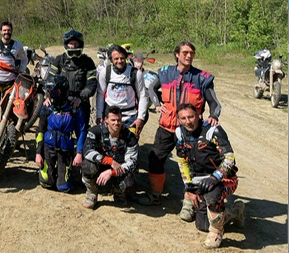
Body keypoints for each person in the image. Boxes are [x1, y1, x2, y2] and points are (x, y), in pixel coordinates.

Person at [141, 41, 222, 208]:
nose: (189, 55)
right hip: (167, 127)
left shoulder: (202, 78)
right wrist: (157, 104)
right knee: (155, 159)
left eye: (191, 52)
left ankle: (189, 201)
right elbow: (151, 89)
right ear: (177, 54)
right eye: (185, 52)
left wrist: (214, 115)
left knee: (194, 165)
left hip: (191, 130)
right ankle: (155, 195)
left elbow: (214, 102)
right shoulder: (164, 73)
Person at [174, 103, 244, 249]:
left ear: (199, 115)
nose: (188, 121)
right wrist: (189, 187)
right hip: (200, 181)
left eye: (191, 116)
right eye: (183, 118)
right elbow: (182, 162)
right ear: (179, 119)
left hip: (225, 179)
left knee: (213, 195)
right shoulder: (179, 133)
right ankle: (234, 212)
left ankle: (217, 232)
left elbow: (229, 158)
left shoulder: (213, 130)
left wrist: (215, 177)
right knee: (202, 225)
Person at [35, 75, 87, 192]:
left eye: (55, 91)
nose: (51, 94)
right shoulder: (47, 106)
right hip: (48, 148)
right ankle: (48, 170)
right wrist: (38, 153)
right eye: (49, 91)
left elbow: (82, 131)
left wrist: (79, 153)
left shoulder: (75, 108)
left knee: (64, 187)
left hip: (65, 150)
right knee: (47, 183)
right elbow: (40, 130)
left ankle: (66, 171)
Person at [81, 106, 139, 209]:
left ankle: (118, 193)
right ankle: (92, 193)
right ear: (105, 120)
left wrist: (111, 172)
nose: (117, 123)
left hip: (118, 169)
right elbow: (87, 151)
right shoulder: (95, 131)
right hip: (100, 166)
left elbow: (132, 162)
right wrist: (109, 161)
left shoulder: (129, 136)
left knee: (129, 181)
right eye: (113, 120)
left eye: (119, 120)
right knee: (86, 165)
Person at [95, 44, 149, 135]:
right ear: (111, 59)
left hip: (130, 117)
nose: (119, 61)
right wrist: (99, 115)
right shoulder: (105, 73)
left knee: (130, 144)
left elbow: (143, 96)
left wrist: (140, 118)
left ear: (126, 58)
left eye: (122, 58)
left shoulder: (136, 73)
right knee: (109, 144)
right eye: (116, 59)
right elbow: (100, 94)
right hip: (110, 116)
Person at [47, 29, 97, 124]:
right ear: (66, 44)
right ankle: (40, 136)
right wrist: (48, 95)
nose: (73, 46)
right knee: (48, 121)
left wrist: (80, 98)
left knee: (83, 131)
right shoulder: (59, 60)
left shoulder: (88, 62)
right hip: (60, 101)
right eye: (71, 43)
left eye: (75, 43)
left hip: (81, 101)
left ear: (80, 44)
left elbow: (92, 84)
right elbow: (50, 79)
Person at [0, 21, 28, 120]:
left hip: (10, 83)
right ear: (1, 31)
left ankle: (6, 132)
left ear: (12, 31)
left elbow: (24, 58)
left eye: (9, 30)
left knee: (8, 111)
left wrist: (21, 71)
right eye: (4, 30)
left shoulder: (17, 45)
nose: (7, 32)